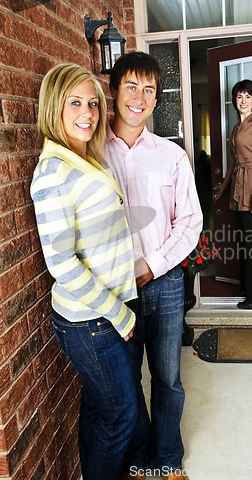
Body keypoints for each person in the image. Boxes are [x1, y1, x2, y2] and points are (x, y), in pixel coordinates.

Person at [30, 63, 138, 480]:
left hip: (105, 310)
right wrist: (118, 312)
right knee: (121, 417)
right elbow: (60, 264)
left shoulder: (81, 159)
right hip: (91, 318)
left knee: (99, 410)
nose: (88, 113)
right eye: (75, 102)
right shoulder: (53, 172)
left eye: (93, 103)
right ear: (54, 105)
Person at [104, 51, 203, 480]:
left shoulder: (172, 156)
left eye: (149, 90)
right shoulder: (91, 153)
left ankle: (167, 459)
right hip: (112, 288)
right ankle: (139, 459)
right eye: (131, 86)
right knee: (126, 384)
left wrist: (153, 265)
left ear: (155, 98)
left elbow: (190, 222)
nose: (140, 98)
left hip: (163, 284)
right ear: (114, 90)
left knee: (167, 380)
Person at [213, 79, 252, 309]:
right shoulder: (237, 127)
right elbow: (232, 164)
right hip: (238, 187)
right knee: (244, 243)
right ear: (235, 100)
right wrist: (224, 187)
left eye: (248, 96)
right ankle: (250, 288)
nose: (243, 101)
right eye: (239, 96)